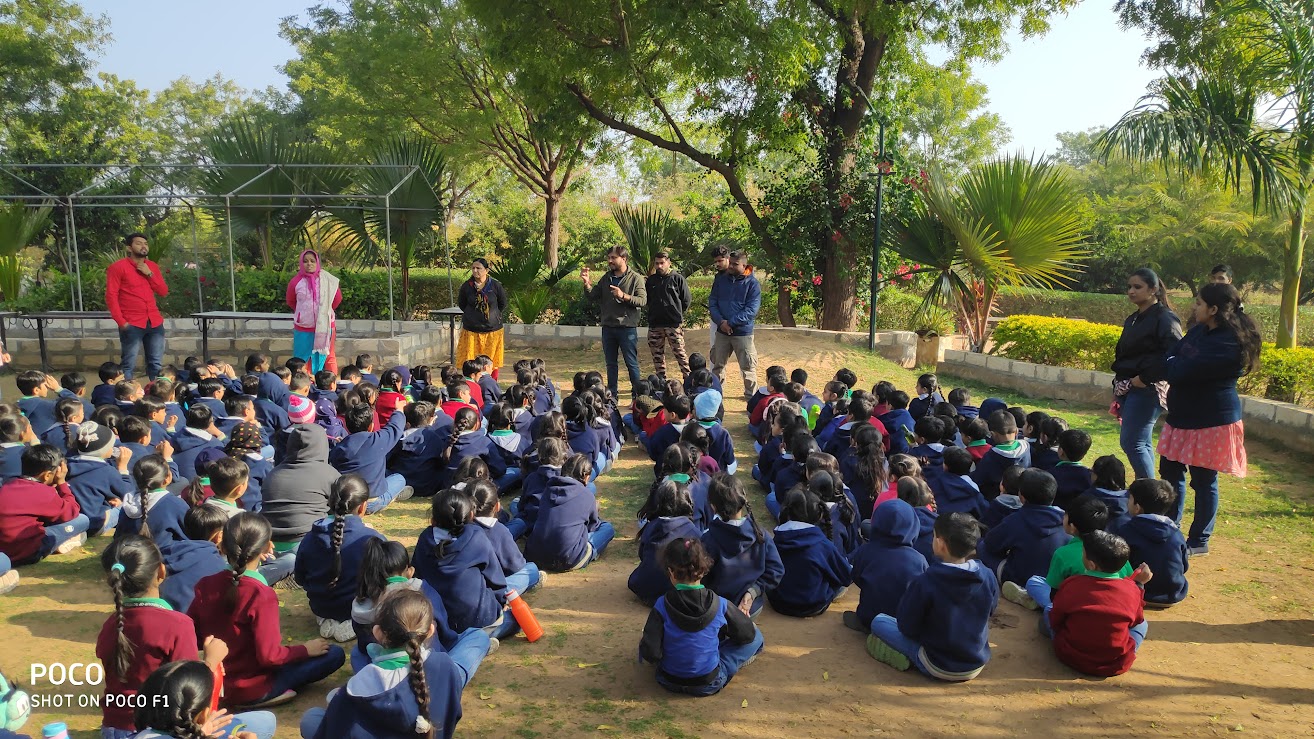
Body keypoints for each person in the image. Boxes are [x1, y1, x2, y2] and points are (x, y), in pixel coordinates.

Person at [96, 535, 276, 739]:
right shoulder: (176, 624)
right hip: (160, 730)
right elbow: (189, 695)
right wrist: (211, 661)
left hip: (111, 729)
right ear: (161, 572)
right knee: (266, 722)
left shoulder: (111, 624)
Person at [189, 513, 345, 708]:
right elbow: (270, 657)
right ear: (266, 546)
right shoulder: (261, 594)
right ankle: (267, 695)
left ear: (223, 545)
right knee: (334, 654)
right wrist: (305, 649)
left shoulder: (205, 585)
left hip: (217, 682)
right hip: (255, 685)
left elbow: (193, 637)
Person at [1156, 282, 1259, 555]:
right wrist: (1175, 364)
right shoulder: (1200, 331)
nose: (1195, 307)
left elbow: (1180, 369)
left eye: (1199, 303)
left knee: (1203, 480)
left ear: (1214, 309)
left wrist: (1175, 365)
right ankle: (1170, 525)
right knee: (1170, 472)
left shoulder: (1229, 342)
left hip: (1211, 420)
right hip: (1182, 416)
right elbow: (1173, 357)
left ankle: (1199, 540)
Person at [867, 513, 998, 682]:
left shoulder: (927, 580)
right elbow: (990, 610)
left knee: (879, 621)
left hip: (936, 664)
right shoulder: (987, 575)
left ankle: (910, 658)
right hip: (975, 664)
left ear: (940, 543)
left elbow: (907, 627)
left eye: (934, 535)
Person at [638, 537, 764, 697]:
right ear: (704, 570)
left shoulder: (661, 605)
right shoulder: (720, 604)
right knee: (757, 635)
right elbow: (747, 635)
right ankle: (722, 659)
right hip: (708, 682)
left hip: (668, 680)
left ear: (671, 572)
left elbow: (651, 653)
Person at [1046, 530, 1151, 677]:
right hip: (1115, 663)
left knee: (1048, 610)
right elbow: (1136, 620)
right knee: (1143, 624)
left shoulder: (1072, 584)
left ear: (1091, 564)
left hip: (1070, 655)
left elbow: (1056, 619)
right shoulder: (1131, 589)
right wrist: (1139, 584)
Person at [294, 474, 385, 643]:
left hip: (320, 607)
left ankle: (327, 619)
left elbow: (300, 578)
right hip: (358, 608)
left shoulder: (310, 537)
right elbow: (384, 580)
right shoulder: (372, 539)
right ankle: (352, 622)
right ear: (362, 507)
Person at [1111, 268, 1183, 480]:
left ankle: (1149, 495)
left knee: (1132, 442)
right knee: (1140, 442)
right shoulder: (1134, 318)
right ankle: (1149, 490)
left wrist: (1144, 378)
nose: (1131, 291)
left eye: (1137, 287)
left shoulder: (1165, 318)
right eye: (1129, 287)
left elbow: (1174, 353)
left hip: (1149, 388)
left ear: (1153, 290)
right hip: (1129, 385)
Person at [700, 474, 782, 619]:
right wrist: (753, 591)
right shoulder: (760, 533)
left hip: (718, 610)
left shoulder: (708, 539)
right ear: (743, 500)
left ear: (713, 506)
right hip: (751, 608)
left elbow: (701, 578)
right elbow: (776, 569)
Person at [844, 498, 928, 632]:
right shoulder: (919, 560)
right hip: (899, 621)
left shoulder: (865, 550)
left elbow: (856, 577)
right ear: (913, 526)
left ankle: (868, 625)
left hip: (868, 616)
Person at [767, 487, 852, 617]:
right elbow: (846, 577)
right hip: (813, 605)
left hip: (778, 603)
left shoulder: (775, 540)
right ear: (819, 514)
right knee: (840, 578)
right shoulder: (823, 545)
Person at [0, 444, 90, 565]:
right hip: (29, 552)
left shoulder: (7, 485)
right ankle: (63, 541)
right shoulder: (43, 492)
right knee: (83, 520)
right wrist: (62, 483)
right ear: (47, 475)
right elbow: (72, 511)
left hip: (5, 551)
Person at [524, 454, 614, 572]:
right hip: (568, 559)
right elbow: (592, 527)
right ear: (586, 477)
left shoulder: (548, 489)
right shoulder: (586, 495)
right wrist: (593, 509)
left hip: (536, 555)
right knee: (607, 528)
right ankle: (589, 552)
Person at [581, 246, 648, 399]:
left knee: (631, 363)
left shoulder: (635, 278)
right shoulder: (606, 277)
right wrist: (586, 284)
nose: (609, 261)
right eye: (609, 257)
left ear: (623, 259)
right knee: (611, 365)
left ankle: (637, 397)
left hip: (627, 328)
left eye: (613, 258)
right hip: (608, 328)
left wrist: (623, 295)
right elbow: (593, 296)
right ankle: (612, 396)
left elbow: (643, 301)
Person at [106, 233, 169, 381]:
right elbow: (111, 296)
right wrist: (122, 322)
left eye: (145, 243)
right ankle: (126, 397)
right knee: (128, 364)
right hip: (132, 323)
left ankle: (156, 397)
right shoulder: (117, 267)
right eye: (139, 243)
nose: (143, 246)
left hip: (154, 322)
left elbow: (163, 291)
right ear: (129, 247)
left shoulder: (152, 266)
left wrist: (149, 274)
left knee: (155, 364)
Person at [708, 250, 761, 399]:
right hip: (722, 332)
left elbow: (751, 310)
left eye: (735, 264)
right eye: (730, 262)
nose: (730, 266)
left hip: (743, 333)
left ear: (744, 265)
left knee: (748, 368)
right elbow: (713, 303)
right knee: (717, 366)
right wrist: (721, 322)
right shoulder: (720, 280)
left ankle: (751, 400)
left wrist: (731, 322)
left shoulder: (753, 284)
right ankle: (716, 397)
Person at [287, 249, 343, 374]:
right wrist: (303, 314)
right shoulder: (295, 282)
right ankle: (303, 385)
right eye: (305, 261)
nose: (309, 264)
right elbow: (291, 301)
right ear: (301, 264)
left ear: (317, 263)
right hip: (303, 327)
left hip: (325, 325)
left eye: (312, 261)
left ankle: (330, 385)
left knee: (328, 356)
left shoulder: (327, 280)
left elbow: (337, 298)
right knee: (301, 358)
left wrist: (325, 312)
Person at [457, 258, 509, 381]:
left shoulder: (495, 285)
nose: (475, 271)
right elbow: (462, 304)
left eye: (478, 268)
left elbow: (502, 303)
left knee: (492, 361)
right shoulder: (466, 286)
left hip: (492, 331)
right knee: (471, 360)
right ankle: (472, 383)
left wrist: (493, 315)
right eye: (473, 268)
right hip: (471, 331)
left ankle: (491, 383)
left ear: (486, 270)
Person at [645, 251, 693, 380]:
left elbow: (686, 300)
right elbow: (647, 300)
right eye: (657, 263)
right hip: (655, 324)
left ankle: (688, 380)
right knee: (657, 356)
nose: (659, 266)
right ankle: (661, 381)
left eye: (662, 263)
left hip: (673, 324)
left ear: (668, 263)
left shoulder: (677, 278)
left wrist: (676, 312)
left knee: (680, 354)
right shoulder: (651, 281)